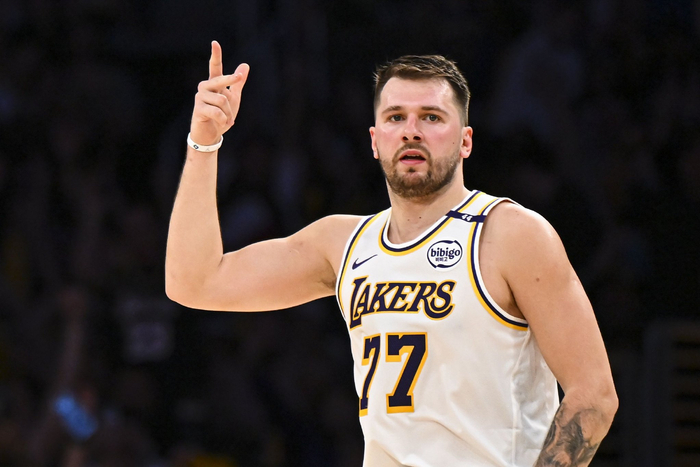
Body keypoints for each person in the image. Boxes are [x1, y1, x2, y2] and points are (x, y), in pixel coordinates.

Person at [165, 41, 618, 467]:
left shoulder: (509, 233)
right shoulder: (343, 243)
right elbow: (194, 283)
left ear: (466, 140)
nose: (411, 131)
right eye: (395, 117)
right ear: (374, 139)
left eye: (432, 117)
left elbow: (594, 396)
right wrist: (204, 142)